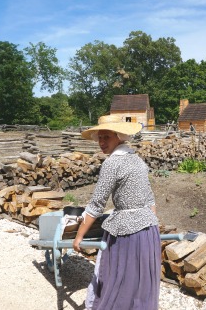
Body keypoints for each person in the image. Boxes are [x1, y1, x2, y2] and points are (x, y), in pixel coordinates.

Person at [73, 114, 160, 310]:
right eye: (100, 137)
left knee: (121, 282)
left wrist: (79, 237)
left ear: (119, 136)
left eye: (107, 137)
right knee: (139, 284)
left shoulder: (112, 164)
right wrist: (153, 226)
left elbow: (96, 205)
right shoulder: (137, 160)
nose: (102, 142)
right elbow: (150, 200)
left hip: (128, 234)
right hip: (149, 230)